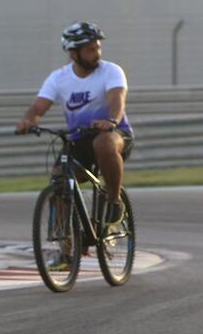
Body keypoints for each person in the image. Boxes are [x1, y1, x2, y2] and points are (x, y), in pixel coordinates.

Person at [15, 21, 134, 225]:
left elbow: (117, 99)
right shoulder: (58, 78)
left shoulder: (111, 71)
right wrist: (28, 121)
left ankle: (114, 201)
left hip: (115, 135)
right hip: (79, 140)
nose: (96, 53)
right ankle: (67, 244)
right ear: (74, 53)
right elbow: (38, 108)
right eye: (90, 50)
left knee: (103, 143)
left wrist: (111, 120)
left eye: (97, 47)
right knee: (60, 181)